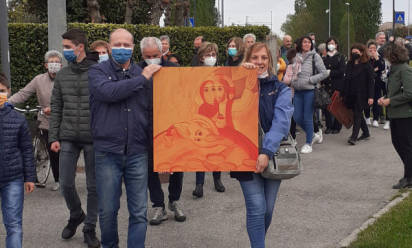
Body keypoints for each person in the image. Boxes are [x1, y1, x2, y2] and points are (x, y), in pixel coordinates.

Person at [88, 29, 161, 248]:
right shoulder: (96, 72)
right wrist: (142, 78)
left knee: (139, 212)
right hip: (107, 151)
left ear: (133, 47)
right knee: (108, 210)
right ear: (109, 48)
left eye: (127, 45)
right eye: (118, 44)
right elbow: (109, 93)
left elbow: (152, 112)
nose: (122, 48)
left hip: (137, 151)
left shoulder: (142, 72)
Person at [232, 42, 293, 248]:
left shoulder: (280, 89)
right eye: (255, 57)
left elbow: (281, 123)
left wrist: (266, 151)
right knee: (256, 207)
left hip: (272, 155)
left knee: (267, 210)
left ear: (270, 61)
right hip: (242, 155)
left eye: (264, 58)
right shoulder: (236, 84)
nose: (259, 62)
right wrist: (240, 76)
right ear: (248, 59)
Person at [49, 29, 100, 247]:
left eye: (68, 47)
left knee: (93, 187)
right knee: (66, 184)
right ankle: (76, 213)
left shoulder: (98, 72)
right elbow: (56, 107)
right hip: (68, 136)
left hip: (92, 137)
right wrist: (54, 137)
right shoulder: (62, 75)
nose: (65, 51)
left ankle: (89, 228)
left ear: (80, 47)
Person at [136, 37, 186, 226]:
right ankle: (158, 205)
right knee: (150, 167)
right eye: (147, 56)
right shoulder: (136, 71)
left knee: (177, 165)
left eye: (155, 56)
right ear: (142, 55)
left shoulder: (174, 70)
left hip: (172, 125)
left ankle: (175, 201)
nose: (152, 59)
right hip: (145, 126)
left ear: (162, 53)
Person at [9, 50, 62, 191]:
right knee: (52, 152)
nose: (54, 65)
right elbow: (23, 93)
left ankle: (61, 178)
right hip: (45, 120)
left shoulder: (65, 79)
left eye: (57, 62)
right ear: (46, 65)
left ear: (61, 65)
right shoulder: (39, 80)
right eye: (51, 62)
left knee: (61, 152)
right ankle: (57, 179)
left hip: (63, 121)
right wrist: (7, 103)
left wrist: (54, 107)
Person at [0, 73, 35, 248]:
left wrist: (29, 177)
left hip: (12, 178)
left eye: (1, 91)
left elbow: (27, 149)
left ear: (8, 92)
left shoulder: (18, 119)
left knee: (13, 225)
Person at [192, 42, 226, 198]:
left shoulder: (221, 73)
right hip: (201, 113)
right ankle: (199, 184)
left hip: (218, 113)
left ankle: (217, 179)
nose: (211, 58)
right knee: (201, 149)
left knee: (216, 147)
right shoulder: (194, 73)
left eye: (213, 55)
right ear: (201, 57)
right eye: (208, 55)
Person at [378, 43, 412, 189]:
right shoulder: (394, 69)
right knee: (397, 143)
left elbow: (409, 93)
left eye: (385, 56)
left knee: (406, 145)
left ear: (393, 55)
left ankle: (409, 177)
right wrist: (384, 97)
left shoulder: (405, 69)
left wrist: (390, 101)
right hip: (395, 113)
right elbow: (394, 90)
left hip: (405, 114)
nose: (384, 58)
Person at [289, 36, 329, 153]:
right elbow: (293, 71)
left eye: (308, 42)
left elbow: (324, 73)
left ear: (311, 45)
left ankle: (308, 143)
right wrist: (292, 81)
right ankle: (313, 134)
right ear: (300, 44)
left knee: (307, 117)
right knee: (296, 116)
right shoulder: (296, 56)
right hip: (297, 91)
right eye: (304, 42)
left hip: (309, 91)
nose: (306, 44)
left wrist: (311, 80)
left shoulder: (315, 56)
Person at [342, 43, 374, 145]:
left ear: (361, 52)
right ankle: (366, 133)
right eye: (353, 52)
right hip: (350, 93)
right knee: (357, 114)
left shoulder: (367, 65)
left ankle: (353, 137)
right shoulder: (349, 64)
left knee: (357, 114)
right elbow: (346, 78)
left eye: (356, 52)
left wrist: (371, 96)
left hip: (362, 94)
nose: (354, 54)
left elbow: (370, 82)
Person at [321, 37, 345, 134]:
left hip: (337, 85)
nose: (331, 45)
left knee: (337, 106)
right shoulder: (324, 58)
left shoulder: (340, 57)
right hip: (327, 85)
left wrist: (330, 72)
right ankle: (329, 126)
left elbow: (342, 71)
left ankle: (337, 126)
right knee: (327, 107)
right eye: (329, 43)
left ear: (336, 45)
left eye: (333, 43)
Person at [364, 41, 387, 128]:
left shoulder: (379, 57)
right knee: (367, 100)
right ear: (368, 49)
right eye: (371, 48)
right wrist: (374, 69)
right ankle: (367, 117)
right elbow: (368, 69)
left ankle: (375, 119)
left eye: (374, 48)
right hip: (367, 83)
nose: (372, 50)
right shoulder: (366, 58)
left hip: (377, 82)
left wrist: (376, 58)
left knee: (376, 100)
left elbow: (381, 67)